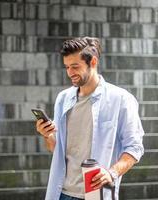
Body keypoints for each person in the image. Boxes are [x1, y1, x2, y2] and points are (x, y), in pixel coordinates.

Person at [35, 37, 144, 200]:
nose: (70, 73)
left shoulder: (120, 99)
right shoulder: (63, 99)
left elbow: (135, 147)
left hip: (96, 194)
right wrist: (47, 135)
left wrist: (111, 173)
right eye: (67, 67)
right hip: (61, 193)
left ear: (93, 62)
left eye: (75, 66)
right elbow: (56, 148)